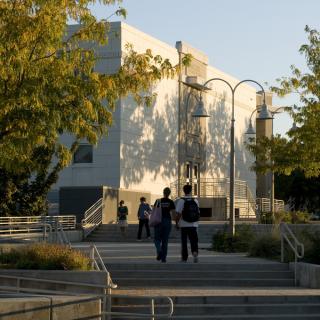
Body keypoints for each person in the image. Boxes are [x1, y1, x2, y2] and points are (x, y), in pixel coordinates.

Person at [175, 184, 200, 263]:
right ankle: (195, 253)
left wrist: (176, 223)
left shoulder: (181, 200)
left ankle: (184, 258)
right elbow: (198, 212)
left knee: (184, 242)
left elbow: (178, 213)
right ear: (191, 191)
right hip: (193, 224)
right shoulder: (195, 200)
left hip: (184, 224)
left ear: (183, 190)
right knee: (194, 240)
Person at [153, 187, 175, 263]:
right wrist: (176, 222)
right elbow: (173, 213)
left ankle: (159, 251)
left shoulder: (158, 201)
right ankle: (163, 258)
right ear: (169, 193)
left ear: (163, 192)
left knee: (157, 239)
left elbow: (154, 211)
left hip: (158, 221)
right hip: (167, 221)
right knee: (165, 241)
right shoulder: (171, 201)